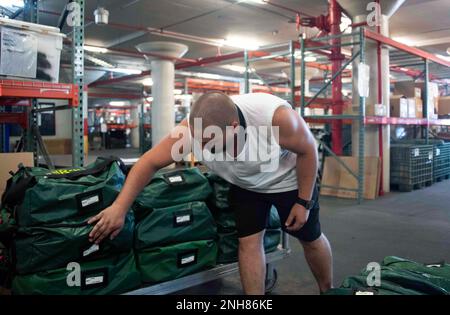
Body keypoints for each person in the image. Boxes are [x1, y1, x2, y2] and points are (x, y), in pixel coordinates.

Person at [88, 92, 333, 294]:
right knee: (248, 243)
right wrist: (119, 208)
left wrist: (304, 201)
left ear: (233, 127)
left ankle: (327, 289)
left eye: (208, 141)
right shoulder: (191, 131)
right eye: (198, 139)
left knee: (309, 238)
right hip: (246, 185)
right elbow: (149, 162)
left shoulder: (275, 118)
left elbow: (309, 150)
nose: (201, 147)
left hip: (286, 182)